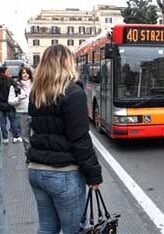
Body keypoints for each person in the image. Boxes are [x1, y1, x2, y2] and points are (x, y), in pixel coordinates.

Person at [27, 44, 103, 234]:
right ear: (68, 63)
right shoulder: (73, 93)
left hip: (36, 170)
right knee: (74, 230)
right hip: (62, 173)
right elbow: (80, 140)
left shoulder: (36, 93)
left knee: (47, 227)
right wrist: (93, 175)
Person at [8, 67, 33, 154]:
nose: (25, 74)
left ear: (30, 74)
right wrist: (18, 98)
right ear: (20, 75)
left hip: (35, 113)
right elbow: (10, 101)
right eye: (23, 73)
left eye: (27, 73)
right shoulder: (15, 86)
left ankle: (36, 154)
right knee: (25, 137)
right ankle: (29, 155)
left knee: (37, 136)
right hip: (22, 114)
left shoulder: (35, 84)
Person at [0, 66, 22, 144]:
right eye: (8, 72)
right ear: (3, 73)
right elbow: (18, 90)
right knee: (13, 121)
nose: (10, 73)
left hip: (1, 105)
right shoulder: (12, 81)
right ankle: (16, 137)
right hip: (10, 105)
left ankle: (5, 138)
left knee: (3, 123)